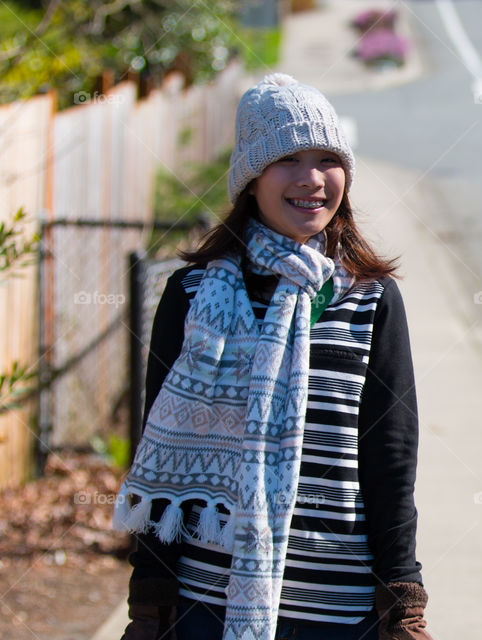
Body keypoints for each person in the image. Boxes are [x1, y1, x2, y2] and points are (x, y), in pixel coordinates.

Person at [113, 73, 434, 640]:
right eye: (287, 158)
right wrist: (150, 602)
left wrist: (404, 603)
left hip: (338, 610)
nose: (312, 180)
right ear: (251, 179)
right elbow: (158, 456)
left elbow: (391, 462)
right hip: (203, 606)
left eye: (327, 160)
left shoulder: (371, 301)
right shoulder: (192, 296)